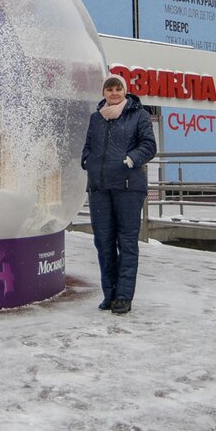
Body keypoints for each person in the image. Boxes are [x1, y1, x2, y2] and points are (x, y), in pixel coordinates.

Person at [81, 74, 157, 315]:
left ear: (125, 91)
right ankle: (110, 294)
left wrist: (130, 159)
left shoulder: (139, 115)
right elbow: (88, 147)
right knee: (103, 242)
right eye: (109, 89)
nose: (113, 93)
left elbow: (148, 145)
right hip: (99, 188)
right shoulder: (96, 118)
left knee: (126, 242)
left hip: (128, 187)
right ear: (103, 93)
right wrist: (87, 161)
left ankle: (123, 296)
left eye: (117, 88)